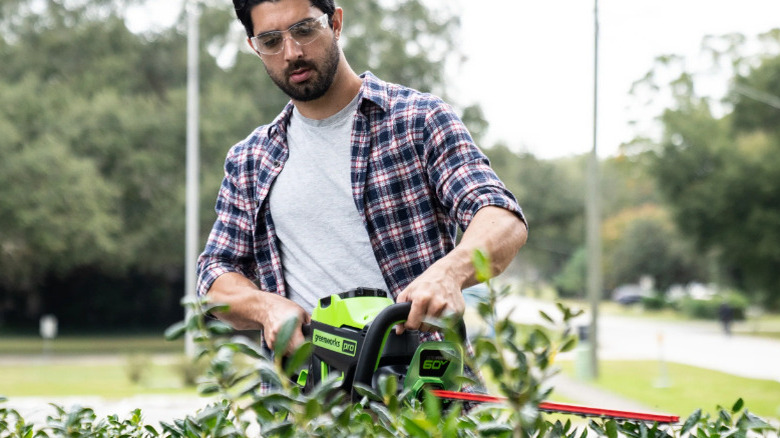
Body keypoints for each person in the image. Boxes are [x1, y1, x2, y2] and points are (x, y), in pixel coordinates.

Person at [197, 0, 528, 360]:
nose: (291, 53)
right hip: (303, 407)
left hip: (426, 396)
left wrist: (450, 272)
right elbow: (214, 275)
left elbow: (502, 218)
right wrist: (265, 308)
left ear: (336, 23)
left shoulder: (419, 120)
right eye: (271, 41)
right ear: (254, 47)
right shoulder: (250, 159)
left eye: (304, 30)